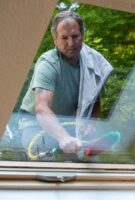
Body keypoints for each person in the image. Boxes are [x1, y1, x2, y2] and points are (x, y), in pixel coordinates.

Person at [19, 11, 113, 156]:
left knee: (87, 164)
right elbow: (42, 108)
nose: (71, 43)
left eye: (75, 36)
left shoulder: (93, 62)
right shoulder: (48, 63)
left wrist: (90, 122)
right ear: (55, 39)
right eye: (64, 38)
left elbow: (94, 100)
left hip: (68, 124)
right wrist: (63, 137)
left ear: (83, 36)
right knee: (47, 163)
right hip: (35, 124)